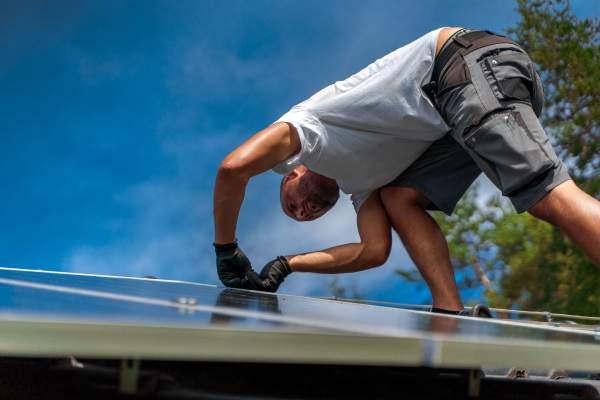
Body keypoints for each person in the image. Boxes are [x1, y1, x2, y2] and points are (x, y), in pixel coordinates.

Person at [213, 27, 600, 315]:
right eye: (302, 217)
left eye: (291, 203)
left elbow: (234, 168)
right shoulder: (361, 188)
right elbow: (373, 251)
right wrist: (286, 265)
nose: (302, 212)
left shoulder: (309, 129)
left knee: (545, 195)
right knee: (399, 198)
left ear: (292, 173)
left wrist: (226, 248)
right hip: (460, 108)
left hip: (462, 69)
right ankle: (450, 315)